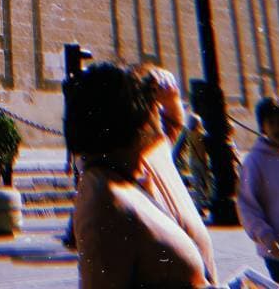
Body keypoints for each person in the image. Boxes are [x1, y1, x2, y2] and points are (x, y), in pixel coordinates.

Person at [64, 63, 218, 287]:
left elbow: (172, 127)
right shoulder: (104, 201)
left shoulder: (137, 168)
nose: (158, 108)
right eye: (150, 102)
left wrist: (171, 99)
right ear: (136, 123)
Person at [238, 95, 279, 288]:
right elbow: (247, 206)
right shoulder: (255, 161)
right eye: (272, 123)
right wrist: (264, 234)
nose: (278, 128)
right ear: (263, 127)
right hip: (278, 250)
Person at [173, 112, 210, 217]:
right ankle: (204, 204)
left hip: (192, 163)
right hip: (202, 163)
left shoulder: (188, 134)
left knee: (197, 186)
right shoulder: (202, 135)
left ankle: (198, 207)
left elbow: (180, 148)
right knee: (205, 185)